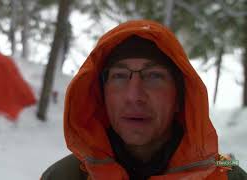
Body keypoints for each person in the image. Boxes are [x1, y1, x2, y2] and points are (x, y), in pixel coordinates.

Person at [41, 20, 247, 180]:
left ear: (179, 98)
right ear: (102, 97)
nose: (134, 96)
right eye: (120, 76)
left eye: (154, 76)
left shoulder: (227, 174)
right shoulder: (62, 176)